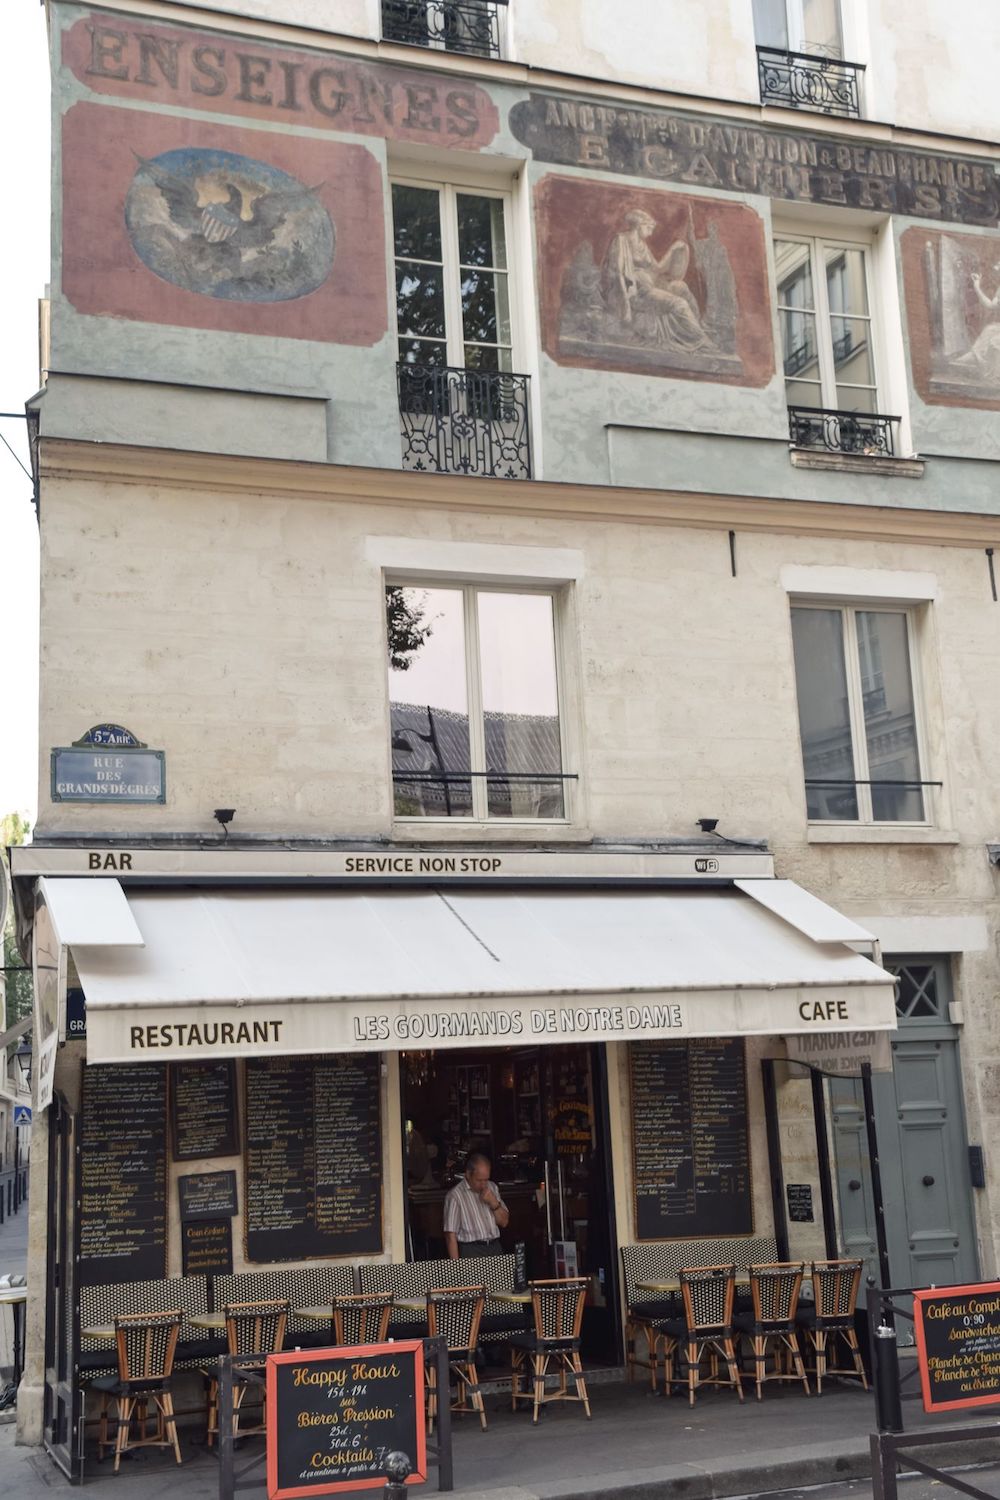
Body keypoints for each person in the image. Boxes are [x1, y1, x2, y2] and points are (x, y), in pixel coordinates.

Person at [443, 1152, 510, 1259]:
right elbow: (450, 1235)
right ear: (468, 1174)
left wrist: (494, 1203)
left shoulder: (492, 1187)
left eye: (486, 1179)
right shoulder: (455, 1195)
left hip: (494, 1246)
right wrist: (456, 1268)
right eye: (479, 1180)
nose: (483, 1184)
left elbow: (504, 1222)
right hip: (471, 1249)